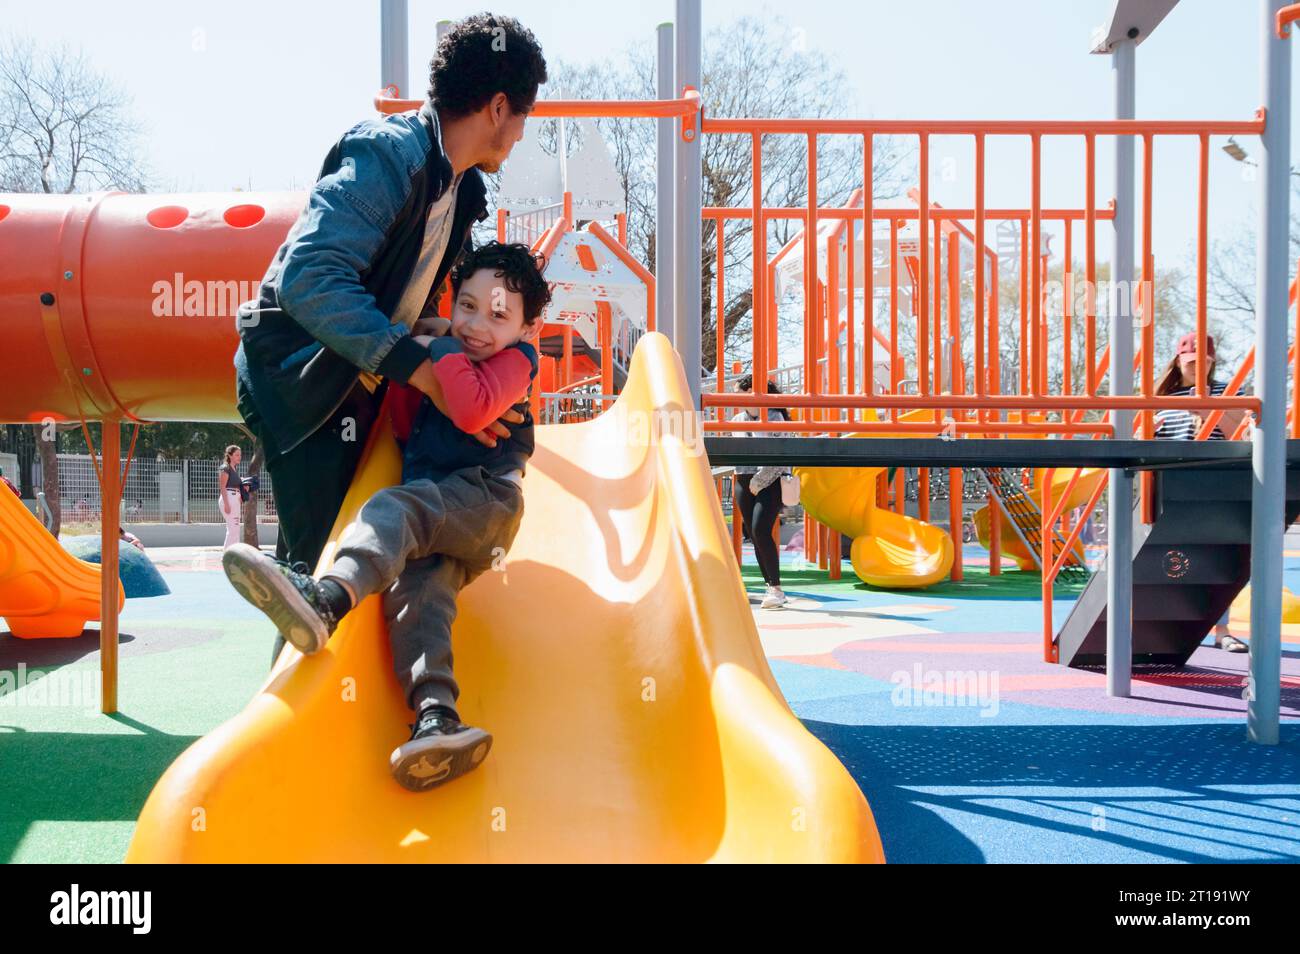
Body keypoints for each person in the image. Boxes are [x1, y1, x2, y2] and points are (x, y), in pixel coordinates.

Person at [231, 14, 547, 661]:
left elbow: (405, 308)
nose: (519, 133)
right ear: (496, 108)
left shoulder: (460, 192)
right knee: (314, 560)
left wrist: (472, 370)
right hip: (302, 379)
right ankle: (283, 740)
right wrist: (426, 368)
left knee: (366, 542)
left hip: (361, 384)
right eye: (521, 115)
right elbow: (310, 278)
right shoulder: (389, 154)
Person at [224, 243, 548, 792]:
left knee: (398, 506)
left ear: (527, 328)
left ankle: (329, 599)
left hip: (486, 502)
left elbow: (470, 409)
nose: (476, 326)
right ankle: (437, 717)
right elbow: (403, 417)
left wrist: (433, 347)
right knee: (417, 595)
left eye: (498, 316)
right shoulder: (456, 343)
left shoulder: (518, 362)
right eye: (467, 306)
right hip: (442, 515)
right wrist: (424, 345)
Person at [1154, 332, 1248, 653]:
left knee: (1218, 558)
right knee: (1171, 558)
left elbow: (1242, 431)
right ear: (1179, 362)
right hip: (1174, 483)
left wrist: (1209, 408)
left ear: (1213, 363)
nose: (1197, 368)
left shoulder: (1227, 391)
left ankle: (1222, 630)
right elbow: (1148, 438)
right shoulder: (1161, 398)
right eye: (1192, 363)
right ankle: (1169, 623)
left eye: (1204, 363)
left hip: (1216, 481)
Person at [730, 374, 791, 609]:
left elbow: (779, 456)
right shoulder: (737, 419)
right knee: (754, 534)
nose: (735, 399)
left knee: (760, 529)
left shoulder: (776, 418)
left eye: (739, 393)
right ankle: (771, 586)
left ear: (752, 393)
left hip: (770, 480)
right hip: (743, 479)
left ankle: (776, 587)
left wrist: (760, 480)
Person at [218, 445, 243, 549]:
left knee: (235, 529)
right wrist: (226, 504)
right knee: (233, 529)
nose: (239, 457)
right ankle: (226, 556)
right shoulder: (225, 468)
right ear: (229, 455)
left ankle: (233, 555)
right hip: (228, 497)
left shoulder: (234, 469)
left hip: (234, 498)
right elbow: (222, 486)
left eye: (240, 455)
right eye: (236, 455)